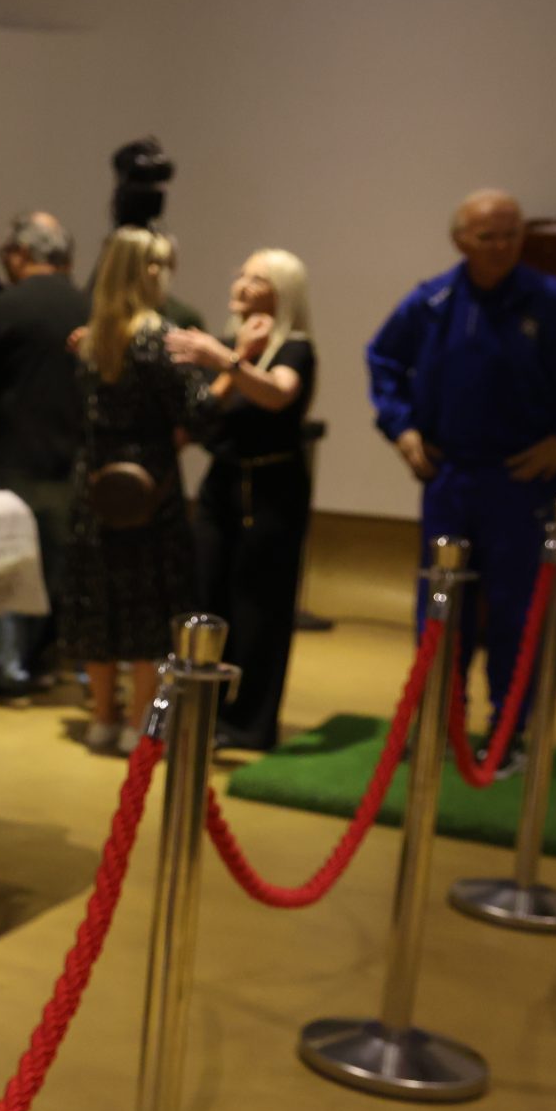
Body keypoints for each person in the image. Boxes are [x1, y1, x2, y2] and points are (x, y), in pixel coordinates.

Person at [367, 189, 556, 741]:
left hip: (525, 482)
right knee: (440, 607)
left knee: (516, 610)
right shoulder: (433, 302)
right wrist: (402, 429)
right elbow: (382, 360)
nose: (501, 246)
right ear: (460, 241)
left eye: (511, 234)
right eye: (487, 236)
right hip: (450, 479)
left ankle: (509, 733)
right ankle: (437, 728)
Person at [58, 228, 217, 754]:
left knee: (97, 598)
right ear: (150, 272)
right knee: (149, 602)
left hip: (95, 481)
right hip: (149, 484)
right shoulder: (160, 338)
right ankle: (140, 724)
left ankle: (101, 718)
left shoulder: (92, 337)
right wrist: (228, 371)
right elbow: (199, 412)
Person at [167, 251, 317, 750]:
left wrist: (229, 359)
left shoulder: (294, 349)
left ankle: (250, 723)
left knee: (260, 609)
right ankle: (201, 713)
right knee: (206, 596)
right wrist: (229, 358)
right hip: (221, 484)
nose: (242, 282)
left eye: (257, 278)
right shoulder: (227, 345)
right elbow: (204, 414)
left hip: (272, 490)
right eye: (242, 273)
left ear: (281, 292)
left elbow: (277, 395)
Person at [0, 211, 84, 698]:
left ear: (21, 254)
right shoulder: (90, 308)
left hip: (9, 457)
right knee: (54, 568)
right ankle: (40, 660)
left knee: (8, 568)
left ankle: (7, 667)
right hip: (69, 459)